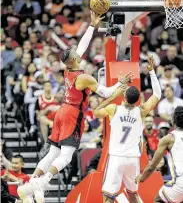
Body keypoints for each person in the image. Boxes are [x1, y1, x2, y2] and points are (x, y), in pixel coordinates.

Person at [17, 12, 130, 203]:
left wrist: (93, 26)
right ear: (75, 59)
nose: (77, 50)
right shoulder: (84, 77)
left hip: (62, 111)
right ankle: (43, 183)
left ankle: (29, 187)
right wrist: (121, 84)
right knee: (67, 156)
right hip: (72, 114)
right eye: (75, 52)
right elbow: (104, 92)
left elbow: (82, 46)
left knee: (52, 152)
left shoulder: (68, 69)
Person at [94, 56, 161, 203]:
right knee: (132, 194)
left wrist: (113, 95)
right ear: (138, 99)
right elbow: (157, 95)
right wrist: (152, 73)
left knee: (108, 197)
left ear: (123, 96)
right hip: (132, 159)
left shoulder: (113, 109)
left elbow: (96, 111)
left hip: (116, 158)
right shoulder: (141, 110)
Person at [136, 106, 183, 203]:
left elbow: (152, 166)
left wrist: (141, 178)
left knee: (158, 199)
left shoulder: (169, 138)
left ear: (173, 120)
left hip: (180, 183)